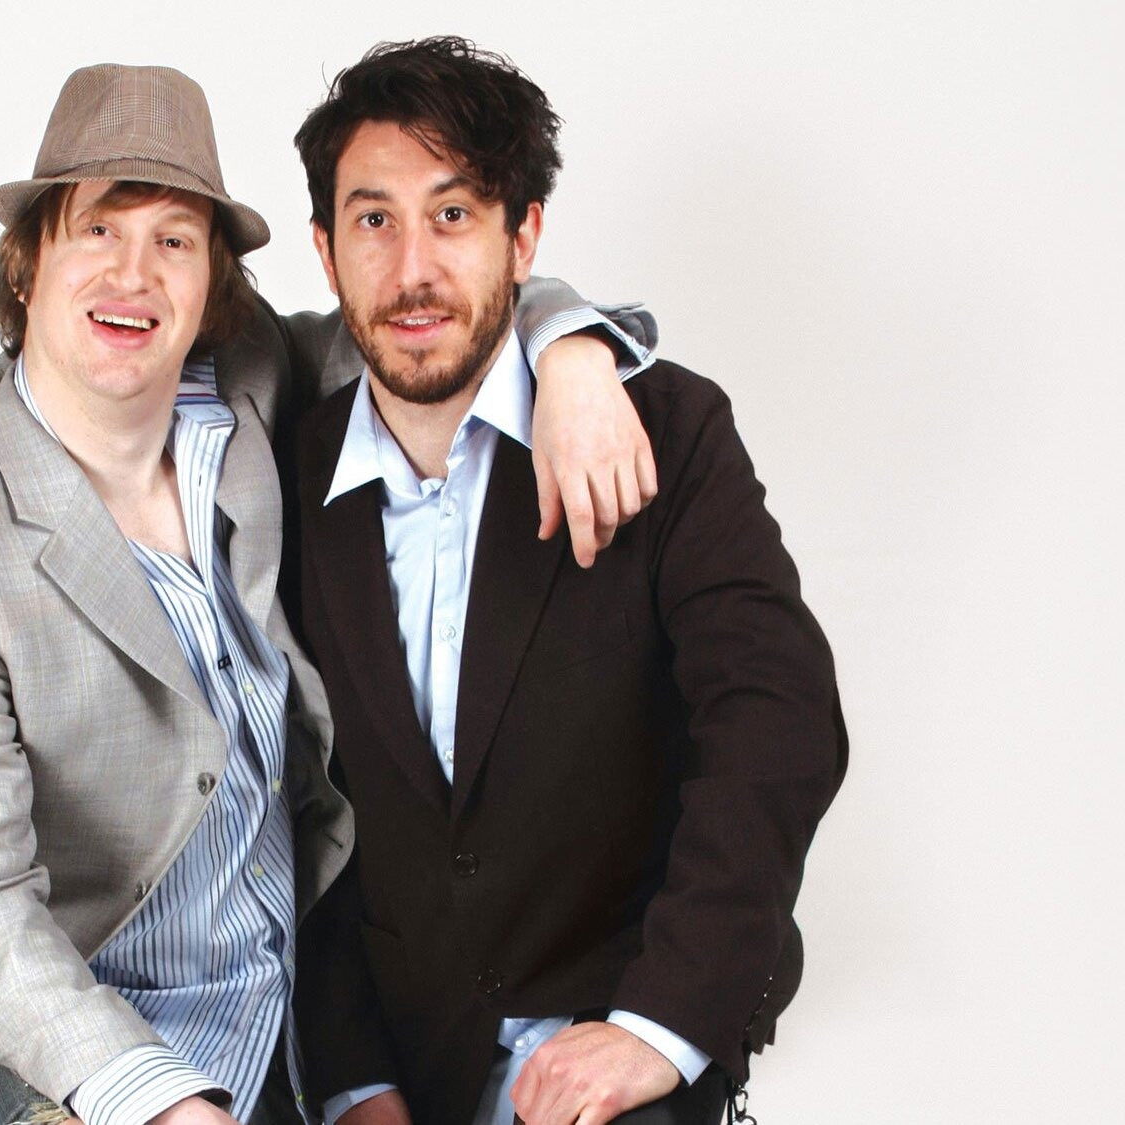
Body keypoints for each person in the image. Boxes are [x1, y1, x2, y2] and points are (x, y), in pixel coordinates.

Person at [0, 62, 658, 1125]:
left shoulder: (251, 381)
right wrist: (160, 1103)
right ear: (29, 263)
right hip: (68, 1057)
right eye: (98, 231)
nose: (133, 275)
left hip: (291, 1031)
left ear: (212, 286)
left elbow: (421, 319)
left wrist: (571, 353)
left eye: (174, 241)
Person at [288, 39, 848, 1125]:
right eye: (374, 220)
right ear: (325, 250)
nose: (411, 268)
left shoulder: (664, 429)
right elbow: (298, 807)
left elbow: (775, 723)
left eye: (453, 214)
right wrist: (353, 1076)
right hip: (395, 1070)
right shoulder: (287, 473)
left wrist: (659, 1027)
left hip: (614, 1040)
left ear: (523, 237)